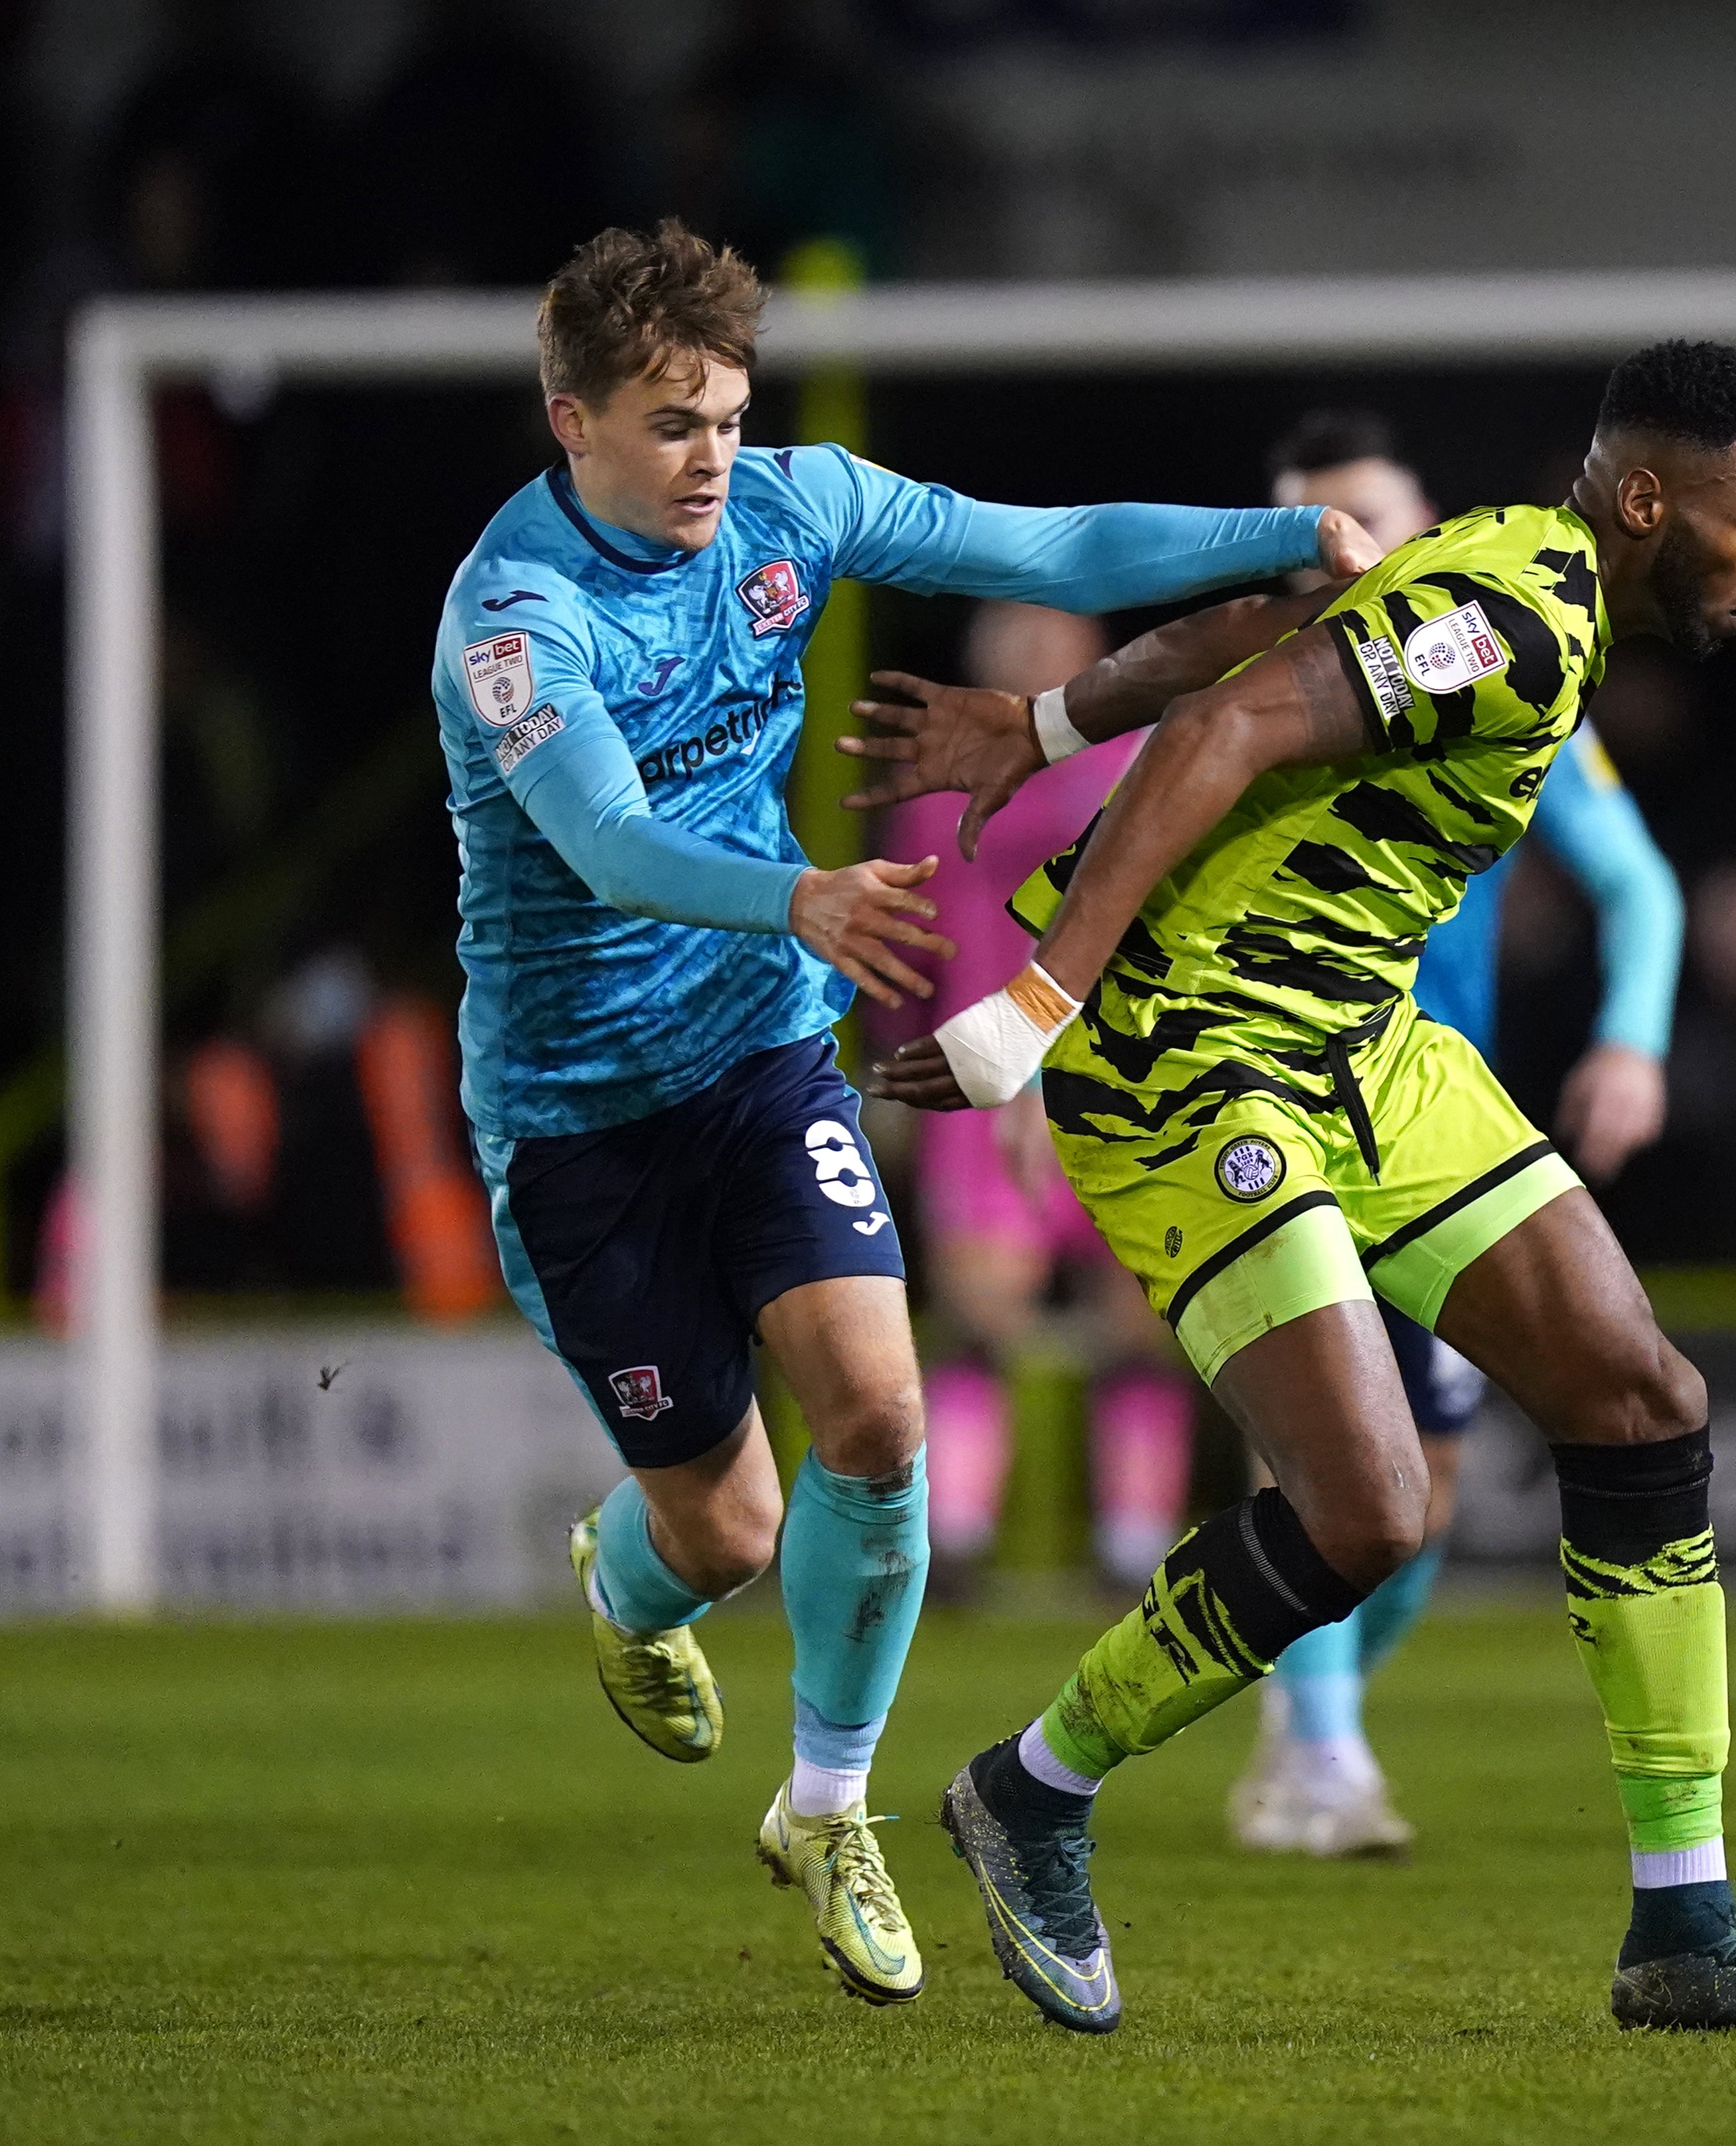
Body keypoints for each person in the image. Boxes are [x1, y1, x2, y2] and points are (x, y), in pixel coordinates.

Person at [847, 341, 1736, 2035]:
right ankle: (1034, 1791)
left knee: (1638, 1400)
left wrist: (1039, 719)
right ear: (1642, 502)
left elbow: (1263, 634)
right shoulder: (1534, 610)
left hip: (1362, 1044)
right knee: (1366, 1512)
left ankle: (1683, 1925)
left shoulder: (1523, 584)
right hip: (1192, 1054)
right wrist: (1042, 1004)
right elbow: (1239, 723)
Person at [432, 220, 1376, 2007]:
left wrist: (1287, 537)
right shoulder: (515, 621)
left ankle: (830, 1804)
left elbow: (1050, 545)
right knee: (726, 1533)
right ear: (570, 420)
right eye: (666, 423)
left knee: (877, 1414)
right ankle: (629, 1586)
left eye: (724, 415)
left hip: (765, 1054)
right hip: (573, 1116)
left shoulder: (792, 507)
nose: (709, 455)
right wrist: (794, 893)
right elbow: (605, 842)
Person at [1227, 410, 1686, 1857]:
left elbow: (1641, 890)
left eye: (1373, 522)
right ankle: (1322, 1751)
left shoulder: (1504, 678)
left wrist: (1632, 1037)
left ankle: (1310, 1705)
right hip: (1266, 1098)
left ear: (1431, 530)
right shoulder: (1253, 699)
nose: (1350, 558)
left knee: (1416, 1496)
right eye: (1318, 534)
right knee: (1317, 1445)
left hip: (1430, 1122)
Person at [864, 603, 1197, 1598]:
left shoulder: (1145, 761)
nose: (1014, 660)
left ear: (1092, 657)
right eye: (999, 644)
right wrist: (892, 1065)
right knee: (976, 1312)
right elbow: (908, 937)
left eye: (1041, 642)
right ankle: (956, 1542)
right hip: (980, 1083)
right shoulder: (936, 784)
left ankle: (1133, 1541)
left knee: (1142, 1321)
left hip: (1126, 1078)